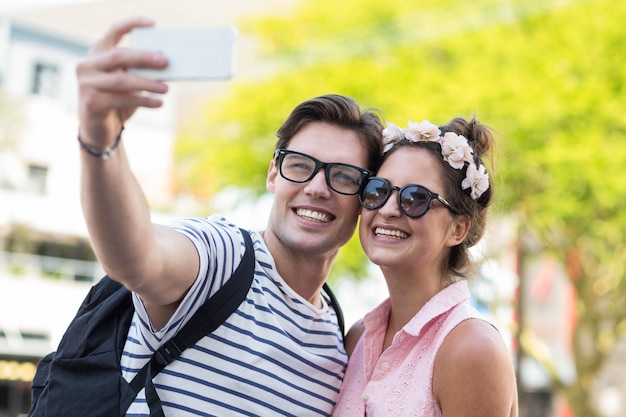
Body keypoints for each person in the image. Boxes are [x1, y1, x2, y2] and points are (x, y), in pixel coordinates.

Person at [75, 17, 384, 416]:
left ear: (366, 198)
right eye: (301, 165)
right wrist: (100, 137)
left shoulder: (337, 338)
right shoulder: (221, 256)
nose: (317, 187)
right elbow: (137, 257)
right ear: (274, 173)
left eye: (343, 175)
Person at [332, 117, 518, 416]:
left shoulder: (470, 349)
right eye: (377, 190)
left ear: (458, 229)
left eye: (415, 198)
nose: (388, 209)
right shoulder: (358, 337)